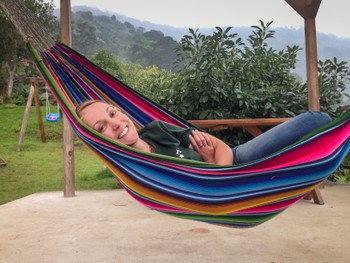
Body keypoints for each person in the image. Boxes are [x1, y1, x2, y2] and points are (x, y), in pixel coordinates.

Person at [75, 100, 332, 165]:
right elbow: (197, 189)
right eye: (102, 128)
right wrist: (211, 167)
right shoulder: (136, 168)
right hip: (229, 180)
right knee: (317, 122)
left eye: (112, 114)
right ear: (97, 140)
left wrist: (217, 165)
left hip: (238, 160)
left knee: (316, 120)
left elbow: (218, 146)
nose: (116, 123)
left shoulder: (156, 130)